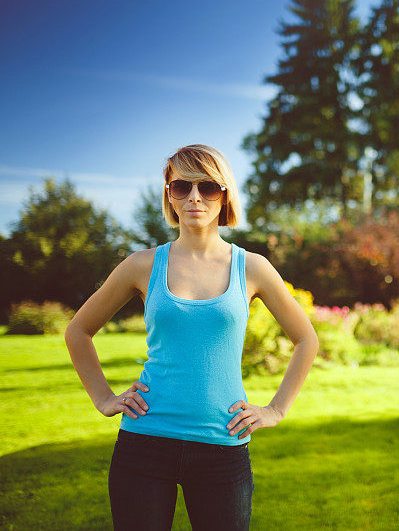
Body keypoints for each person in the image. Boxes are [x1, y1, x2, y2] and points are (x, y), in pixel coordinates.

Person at [64, 144, 319, 530]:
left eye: (208, 187)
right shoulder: (141, 265)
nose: (195, 197)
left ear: (225, 194)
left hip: (223, 446)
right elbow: (78, 331)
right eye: (182, 186)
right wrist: (103, 398)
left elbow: (306, 340)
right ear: (170, 194)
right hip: (144, 444)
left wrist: (276, 409)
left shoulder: (253, 268)